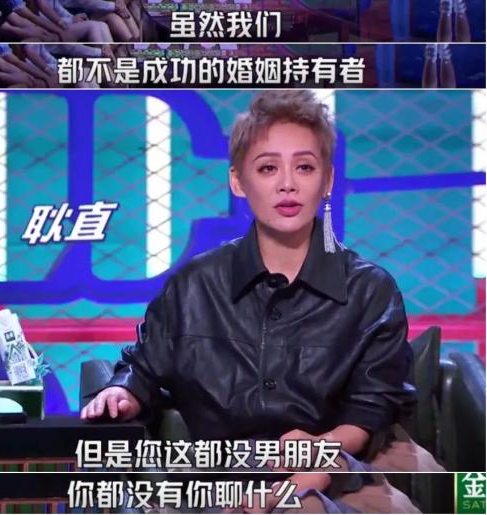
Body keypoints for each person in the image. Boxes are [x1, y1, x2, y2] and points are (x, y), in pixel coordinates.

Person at [81, 90, 443, 512]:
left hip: (339, 469)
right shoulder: (193, 286)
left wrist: (318, 455)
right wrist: (123, 392)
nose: (287, 184)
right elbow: (143, 368)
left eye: (304, 167)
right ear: (238, 181)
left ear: (327, 180)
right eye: (268, 168)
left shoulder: (370, 289)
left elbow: (372, 409)